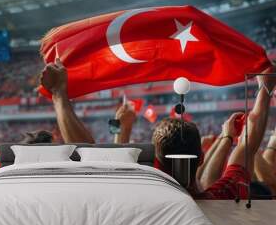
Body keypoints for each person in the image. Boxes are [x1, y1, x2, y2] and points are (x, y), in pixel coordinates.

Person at [39, 58, 276, 199]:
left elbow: (87, 154)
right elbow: (248, 143)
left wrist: (59, 94)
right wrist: (265, 89)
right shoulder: (224, 193)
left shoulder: (136, 197)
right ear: (201, 156)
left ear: (153, 158)